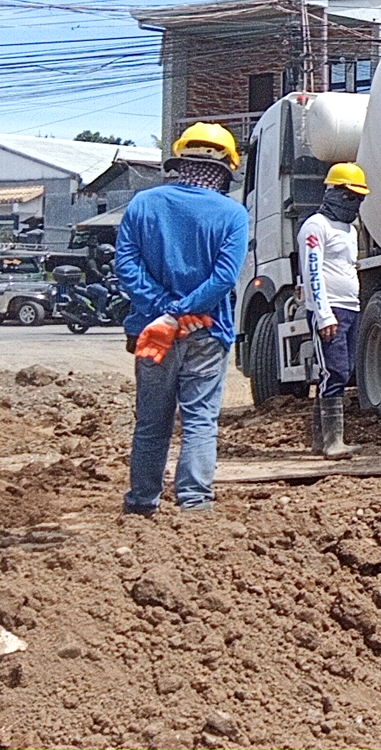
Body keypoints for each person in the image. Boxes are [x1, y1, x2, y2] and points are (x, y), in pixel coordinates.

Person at [115, 123, 249, 515]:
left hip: (151, 332)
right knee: (200, 421)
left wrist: (162, 312)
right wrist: (180, 314)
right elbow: (223, 278)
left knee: (151, 423)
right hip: (206, 331)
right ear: (225, 169)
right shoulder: (233, 213)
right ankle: (194, 503)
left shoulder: (144, 203)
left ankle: (141, 503)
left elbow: (126, 264)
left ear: (180, 161)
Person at [300, 162, 369, 458]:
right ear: (334, 192)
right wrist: (323, 314)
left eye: (358, 197)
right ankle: (331, 441)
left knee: (341, 370)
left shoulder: (349, 229)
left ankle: (323, 440)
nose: (354, 202)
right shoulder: (316, 226)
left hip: (349, 307)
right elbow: (312, 271)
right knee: (335, 370)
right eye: (350, 195)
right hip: (331, 310)